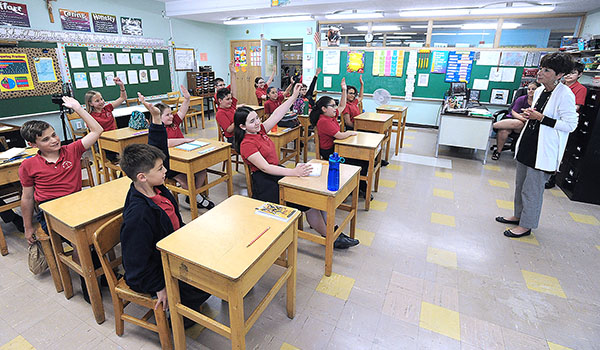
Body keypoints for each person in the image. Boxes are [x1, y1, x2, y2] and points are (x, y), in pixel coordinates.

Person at [119, 100, 210, 328]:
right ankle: (179, 318)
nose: (166, 170)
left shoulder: (155, 186)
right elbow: (135, 261)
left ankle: (188, 302)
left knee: (212, 267)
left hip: (173, 248)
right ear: (142, 177)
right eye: (160, 169)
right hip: (154, 268)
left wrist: (156, 119)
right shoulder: (139, 214)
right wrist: (159, 285)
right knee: (203, 285)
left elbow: (159, 153)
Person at [234, 83, 358, 249]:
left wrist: (293, 97)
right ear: (242, 126)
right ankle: (331, 237)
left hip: (276, 175)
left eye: (257, 118)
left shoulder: (260, 131)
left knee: (314, 196)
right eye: (252, 121)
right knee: (308, 201)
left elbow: (277, 114)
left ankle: (333, 231)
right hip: (266, 185)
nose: (257, 122)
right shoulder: (247, 143)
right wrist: (293, 171)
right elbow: (265, 168)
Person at [19, 97, 103, 300]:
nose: (54, 140)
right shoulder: (28, 166)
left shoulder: (71, 150)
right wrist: (28, 227)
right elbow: (27, 199)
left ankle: (100, 268)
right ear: (32, 144)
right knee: (79, 239)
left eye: (54, 135)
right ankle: (88, 282)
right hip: (51, 213)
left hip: (77, 205)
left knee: (104, 228)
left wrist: (77, 108)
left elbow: (97, 131)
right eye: (46, 139)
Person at [496, 52, 578, 238]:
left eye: (546, 70)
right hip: (528, 143)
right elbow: (537, 114)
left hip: (543, 149)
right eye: (541, 68)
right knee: (520, 185)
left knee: (532, 189)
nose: (540, 73)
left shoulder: (565, 95)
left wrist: (541, 118)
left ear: (559, 75)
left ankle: (526, 225)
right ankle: (518, 215)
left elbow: (570, 125)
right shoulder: (540, 90)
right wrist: (530, 113)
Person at [138, 89, 214, 210]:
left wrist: (187, 98)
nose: (171, 116)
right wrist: (183, 140)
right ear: (158, 117)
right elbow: (165, 143)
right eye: (167, 115)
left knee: (201, 171)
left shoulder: (174, 123)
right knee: (184, 179)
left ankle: (192, 195)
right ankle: (197, 198)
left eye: (171, 113)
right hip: (171, 163)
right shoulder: (158, 129)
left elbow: (182, 110)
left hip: (186, 156)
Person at [309, 79, 371, 199]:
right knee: (361, 161)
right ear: (324, 109)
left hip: (336, 146)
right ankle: (359, 188)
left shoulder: (330, 115)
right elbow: (340, 135)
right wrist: (350, 132)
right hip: (329, 152)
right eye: (332, 106)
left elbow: (342, 105)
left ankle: (359, 187)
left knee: (362, 159)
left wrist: (343, 89)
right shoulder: (324, 121)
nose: (335, 108)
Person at [545, 62, 587, 188]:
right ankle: (547, 174)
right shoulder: (559, 86)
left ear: (579, 74)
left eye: (573, 73)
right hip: (552, 122)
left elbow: (575, 107)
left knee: (559, 151)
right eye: (568, 73)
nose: (569, 76)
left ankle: (552, 178)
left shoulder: (580, 89)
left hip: (564, 123)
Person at [491, 82, 541, 161]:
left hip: (527, 125)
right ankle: (498, 152)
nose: (530, 91)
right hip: (513, 120)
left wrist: (524, 118)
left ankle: (491, 126)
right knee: (503, 130)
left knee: (519, 123)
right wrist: (523, 117)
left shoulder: (540, 102)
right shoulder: (521, 99)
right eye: (528, 89)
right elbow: (513, 112)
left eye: (533, 89)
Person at [84, 77, 126, 162]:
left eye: (101, 99)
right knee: (124, 159)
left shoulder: (107, 108)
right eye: (97, 101)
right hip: (104, 144)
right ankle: (122, 173)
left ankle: (123, 173)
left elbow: (122, 98)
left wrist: (122, 86)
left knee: (131, 154)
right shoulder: (90, 117)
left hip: (116, 139)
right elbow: (94, 134)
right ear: (90, 103)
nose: (101, 102)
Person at [216, 62, 238, 143]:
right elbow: (229, 130)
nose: (231, 101)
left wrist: (233, 73)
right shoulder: (220, 113)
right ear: (220, 101)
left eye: (231, 98)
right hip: (233, 138)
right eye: (228, 99)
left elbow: (234, 90)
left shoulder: (231, 106)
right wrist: (239, 118)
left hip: (240, 133)